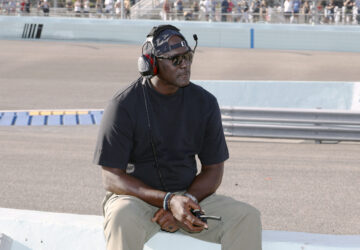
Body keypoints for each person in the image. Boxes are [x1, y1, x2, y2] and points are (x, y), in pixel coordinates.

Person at [93, 24, 262, 250]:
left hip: (190, 198)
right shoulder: (123, 105)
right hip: (135, 200)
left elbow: (214, 170)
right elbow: (111, 178)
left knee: (246, 217)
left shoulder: (205, 103)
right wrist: (168, 201)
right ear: (151, 64)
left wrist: (185, 204)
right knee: (121, 217)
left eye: (188, 57)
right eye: (175, 60)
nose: (185, 65)